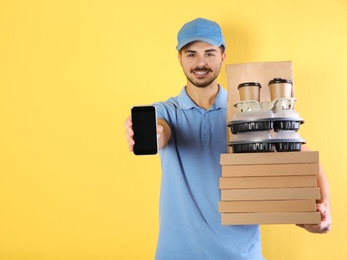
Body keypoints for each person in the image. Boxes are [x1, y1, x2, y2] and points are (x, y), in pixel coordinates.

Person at [124, 18, 331, 260]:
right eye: (191, 54)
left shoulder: (248, 112)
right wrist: (149, 133)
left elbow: (304, 157)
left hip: (242, 256)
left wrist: (323, 206)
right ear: (179, 58)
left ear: (223, 57)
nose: (200, 62)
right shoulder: (167, 111)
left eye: (209, 53)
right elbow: (161, 131)